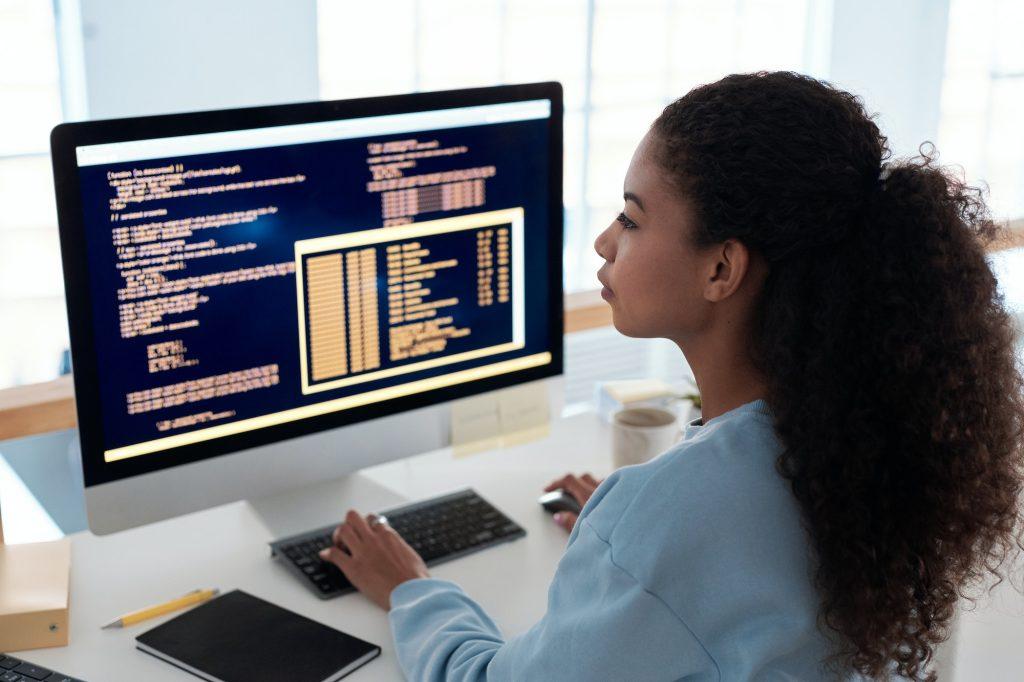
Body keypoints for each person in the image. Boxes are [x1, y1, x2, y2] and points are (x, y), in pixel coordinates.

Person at [319, 72, 1024, 680]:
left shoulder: (680, 518)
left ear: (721, 268)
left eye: (631, 219)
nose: (603, 241)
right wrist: (639, 550)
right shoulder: (864, 438)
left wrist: (413, 589)